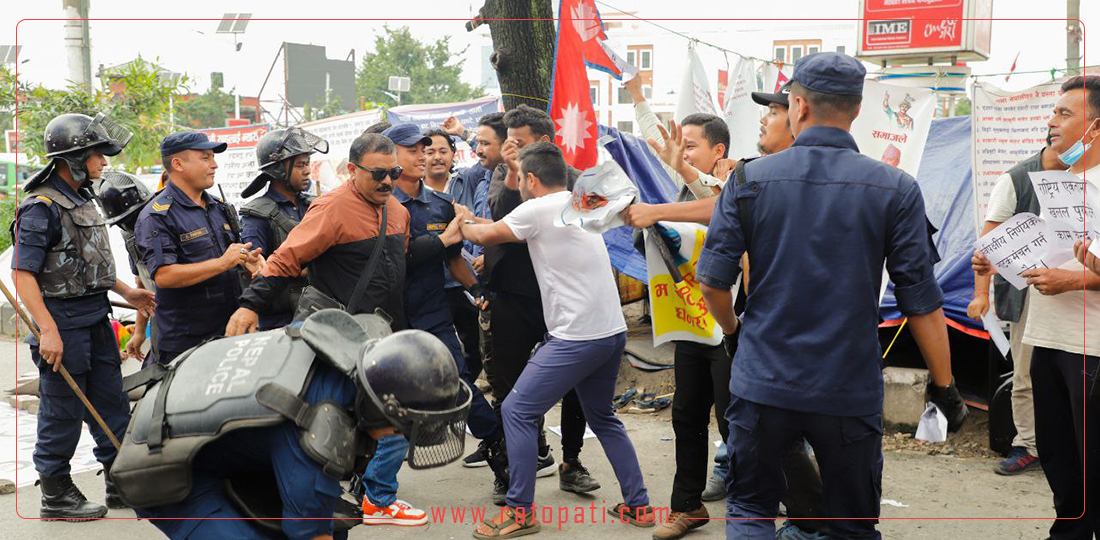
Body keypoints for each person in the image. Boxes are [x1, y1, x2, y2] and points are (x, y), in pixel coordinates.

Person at [697, 52, 967, 540]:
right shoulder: (897, 188)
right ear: (857, 110)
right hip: (846, 387)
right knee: (851, 524)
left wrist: (736, 335)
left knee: (752, 512)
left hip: (763, 380)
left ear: (798, 106)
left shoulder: (748, 179)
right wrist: (945, 387)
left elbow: (713, 283)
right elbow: (921, 302)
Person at [623, 82, 829, 540]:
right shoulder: (729, 177)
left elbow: (721, 207)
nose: (763, 119)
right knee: (688, 414)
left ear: (799, 116)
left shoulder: (763, 173)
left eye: (773, 112)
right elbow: (714, 195)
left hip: (749, 323)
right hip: (701, 319)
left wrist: (657, 210)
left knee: (750, 424)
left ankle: (800, 513)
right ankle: (690, 506)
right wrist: (639, 98)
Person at [116, 309, 473, 540]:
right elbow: (307, 532)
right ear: (380, 411)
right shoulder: (317, 432)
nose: (400, 437)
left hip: (196, 412)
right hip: (164, 467)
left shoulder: (336, 345)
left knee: (334, 526)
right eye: (400, 428)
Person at [460, 142, 654, 538]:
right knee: (603, 417)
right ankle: (639, 506)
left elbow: (485, 234)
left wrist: (461, 219)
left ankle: (519, 511)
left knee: (516, 410)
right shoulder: (578, 200)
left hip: (577, 338)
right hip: (611, 332)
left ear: (530, 180)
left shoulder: (537, 209)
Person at [11, 112, 155, 520]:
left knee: (111, 402)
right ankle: (56, 493)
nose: (104, 162)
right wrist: (48, 331)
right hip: (62, 321)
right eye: (97, 154)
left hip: (95, 315)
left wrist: (127, 290)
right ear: (74, 157)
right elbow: (22, 274)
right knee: (63, 409)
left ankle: (120, 480)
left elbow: (88, 262)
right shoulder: (40, 207)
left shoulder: (83, 198)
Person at [975, 75, 1100, 540]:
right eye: (1053, 112)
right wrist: (994, 257)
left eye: (1064, 113)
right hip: (1045, 336)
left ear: (1096, 127)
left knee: (1092, 459)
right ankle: (1067, 531)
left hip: (1091, 349)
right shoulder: (1059, 183)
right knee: (1057, 451)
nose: (1052, 122)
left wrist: (1074, 279)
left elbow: (1080, 267)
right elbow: (1044, 252)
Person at [482, 104, 601, 501]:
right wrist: (515, 171)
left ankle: (571, 462)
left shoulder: (574, 180)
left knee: (575, 386)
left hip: (564, 300)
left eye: (520, 142)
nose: (510, 149)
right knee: (509, 386)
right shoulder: (503, 174)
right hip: (514, 296)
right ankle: (515, 466)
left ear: (545, 142)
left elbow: (592, 224)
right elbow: (501, 215)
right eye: (508, 141)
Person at [967, 131, 1066, 476]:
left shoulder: (1085, 176)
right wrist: (981, 294)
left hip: (1076, 294)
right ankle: (1028, 445)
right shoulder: (1015, 180)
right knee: (1026, 373)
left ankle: (1071, 448)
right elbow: (989, 244)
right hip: (1027, 294)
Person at [134, 132, 262, 365]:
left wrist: (246, 262)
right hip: (187, 343)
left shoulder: (219, 207)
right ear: (178, 164)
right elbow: (164, 276)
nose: (214, 164)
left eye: (213, 157)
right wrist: (224, 262)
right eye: (205, 158)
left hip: (229, 330)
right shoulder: (157, 215)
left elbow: (231, 259)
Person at [239, 127, 328, 330]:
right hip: (279, 321)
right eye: (300, 165)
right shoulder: (257, 214)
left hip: (319, 313)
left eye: (308, 164)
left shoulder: (316, 205)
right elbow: (258, 266)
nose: (307, 171)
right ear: (278, 170)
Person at [424, 127, 485, 388]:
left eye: (443, 151)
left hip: (464, 281)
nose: (437, 157)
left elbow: (491, 160)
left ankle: (465, 391)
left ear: (453, 154)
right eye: (429, 152)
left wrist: (464, 133)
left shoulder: (466, 180)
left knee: (474, 346)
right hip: (430, 285)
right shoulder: (412, 191)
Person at [93, 171, 158, 365]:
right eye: (125, 222)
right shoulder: (130, 235)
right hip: (162, 323)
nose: (133, 225)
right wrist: (139, 332)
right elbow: (142, 284)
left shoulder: (166, 221)